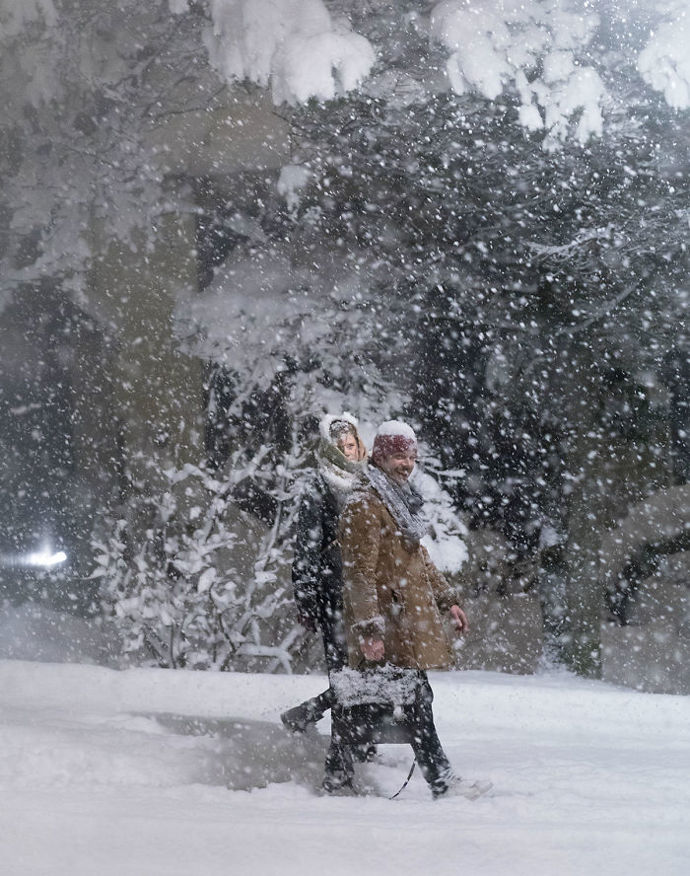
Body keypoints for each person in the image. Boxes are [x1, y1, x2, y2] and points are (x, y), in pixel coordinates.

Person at [339, 420, 489, 799]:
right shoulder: (365, 503)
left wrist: (448, 600)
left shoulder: (398, 499)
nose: (406, 463)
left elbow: (417, 558)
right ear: (381, 456)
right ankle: (441, 781)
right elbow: (360, 574)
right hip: (387, 625)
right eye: (397, 456)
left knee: (407, 701)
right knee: (414, 700)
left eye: (410, 456)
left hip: (403, 622)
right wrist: (370, 631)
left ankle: (341, 772)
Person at [280, 413, 371, 791]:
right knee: (345, 675)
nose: (348, 451)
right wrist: (306, 594)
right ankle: (341, 762)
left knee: (368, 672)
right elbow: (306, 546)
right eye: (341, 446)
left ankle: (317, 717)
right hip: (335, 594)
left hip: (369, 595)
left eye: (351, 444)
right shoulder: (318, 486)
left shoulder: (370, 480)